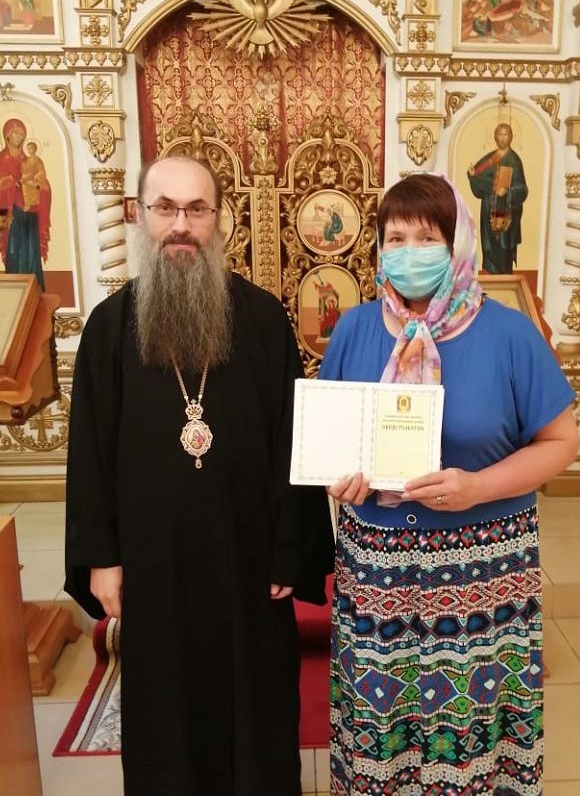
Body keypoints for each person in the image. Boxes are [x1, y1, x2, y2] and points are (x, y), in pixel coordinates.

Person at [64, 155, 334, 796]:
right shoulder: (109, 329)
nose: (180, 225)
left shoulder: (263, 320)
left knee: (256, 705)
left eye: (196, 209)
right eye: (165, 208)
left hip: (248, 563)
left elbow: (292, 441)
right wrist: (101, 558)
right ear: (140, 216)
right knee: (165, 710)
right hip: (151, 566)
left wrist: (289, 550)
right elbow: (90, 453)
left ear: (220, 220)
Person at [319, 174, 579, 795]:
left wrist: (477, 487)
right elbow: (333, 440)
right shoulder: (356, 329)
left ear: (458, 243)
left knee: (472, 718)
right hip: (378, 569)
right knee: (381, 717)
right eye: (395, 238)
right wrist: (340, 479)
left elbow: (561, 443)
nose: (408, 252)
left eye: (426, 238)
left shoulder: (509, 334)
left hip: (482, 569)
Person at [467, 122, 528, 274]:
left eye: (505, 134)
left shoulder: (514, 160)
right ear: (495, 137)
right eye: (500, 134)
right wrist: (472, 175)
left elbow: (522, 188)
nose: (502, 138)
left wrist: (507, 192)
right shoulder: (490, 158)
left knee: (502, 246)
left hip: (505, 209)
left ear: (510, 137)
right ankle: (490, 277)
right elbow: (478, 178)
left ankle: (503, 276)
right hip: (488, 206)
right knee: (488, 246)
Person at [0, 118, 51, 290]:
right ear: (7, 135)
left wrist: (40, 185)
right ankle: (14, 288)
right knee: (13, 248)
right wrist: (11, 182)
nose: (19, 137)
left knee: (31, 249)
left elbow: (42, 182)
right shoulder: (2, 159)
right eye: (15, 133)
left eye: (22, 134)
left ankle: (35, 288)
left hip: (30, 210)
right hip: (10, 211)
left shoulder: (30, 160)